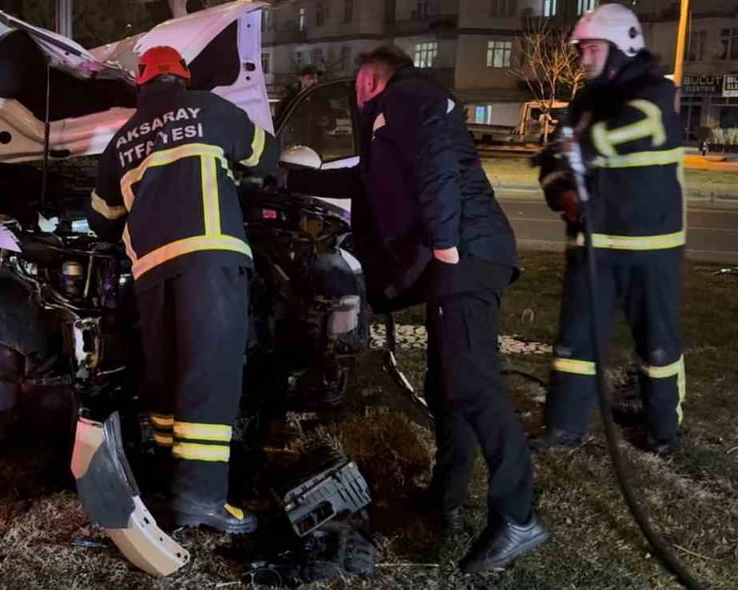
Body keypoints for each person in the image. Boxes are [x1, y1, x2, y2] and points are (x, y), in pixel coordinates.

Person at [283, 45, 548, 572]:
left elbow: (437, 164)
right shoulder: (389, 123)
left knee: (471, 381)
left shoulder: (409, 95)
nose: (355, 92)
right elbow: (361, 181)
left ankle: (518, 516)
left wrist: (447, 243)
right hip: (456, 258)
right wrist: (285, 177)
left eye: (360, 81)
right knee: (445, 382)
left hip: (466, 254)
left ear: (376, 76)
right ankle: (446, 496)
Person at [87, 45, 280, 534]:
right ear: (183, 77)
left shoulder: (122, 141)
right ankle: (202, 502)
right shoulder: (211, 108)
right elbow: (267, 155)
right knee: (208, 377)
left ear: (140, 84)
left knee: (168, 377)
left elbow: (101, 220)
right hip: (210, 257)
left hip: (151, 271)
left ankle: (170, 483)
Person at [530, 4, 686, 457]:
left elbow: (640, 128)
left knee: (657, 345)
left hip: (650, 245)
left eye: (591, 49)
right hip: (592, 244)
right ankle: (563, 428)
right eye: (581, 50)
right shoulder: (583, 103)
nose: (583, 59)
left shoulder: (653, 93)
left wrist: (585, 145)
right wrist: (560, 193)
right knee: (576, 341)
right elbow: (551, 161)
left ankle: (662, 434)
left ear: (622, 47)